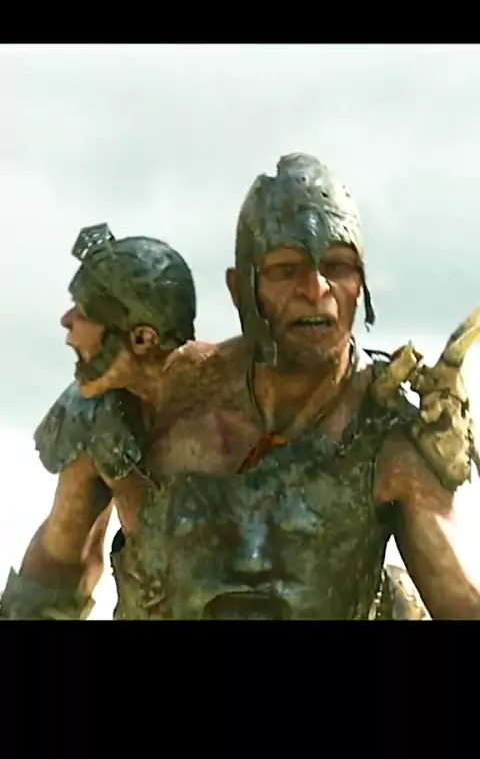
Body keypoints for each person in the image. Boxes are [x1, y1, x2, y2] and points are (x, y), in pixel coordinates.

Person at [103, 152, 480, 620]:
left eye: (338, 266)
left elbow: (461, 601)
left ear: (360, 285)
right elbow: (59, 561)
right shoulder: (168, 394)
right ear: (240, 288)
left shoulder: (388, 437)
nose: (316, 288)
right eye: (286, 269)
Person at [0, 223, 200, 620]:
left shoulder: (247, 408)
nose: (66, 320)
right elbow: (59, 565)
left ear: (142, 339)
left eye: (85, 312)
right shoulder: (99, 415)